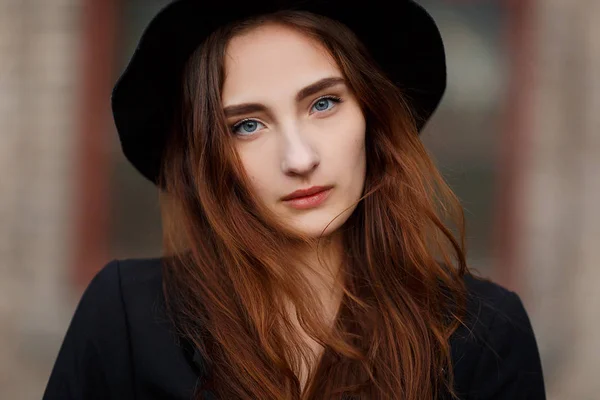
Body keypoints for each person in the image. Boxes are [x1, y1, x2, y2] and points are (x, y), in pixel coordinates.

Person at [42, 0, 546, 399]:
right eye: (247, 126)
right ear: (208, 156)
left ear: (372, 116)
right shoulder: (126, 315)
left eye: (323, 103)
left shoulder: (483, 333)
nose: (299, 158)